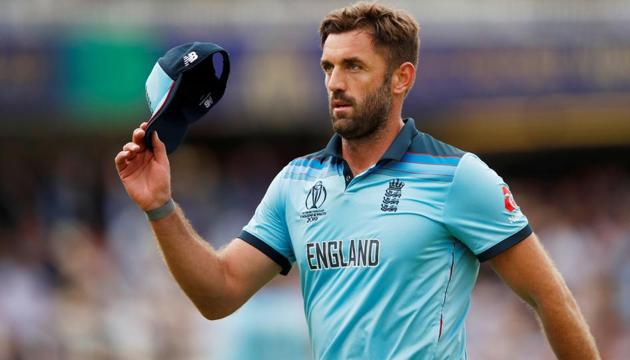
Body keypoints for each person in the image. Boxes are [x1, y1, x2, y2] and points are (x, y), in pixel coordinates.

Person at [114, 2, 600, 359]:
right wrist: (160, 206)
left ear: (401, 78)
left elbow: (549, 295)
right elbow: (218, 293)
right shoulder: (296, 182)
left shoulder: (457, 176)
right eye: (328, 67)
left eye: (353, 66)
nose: (334, 83)